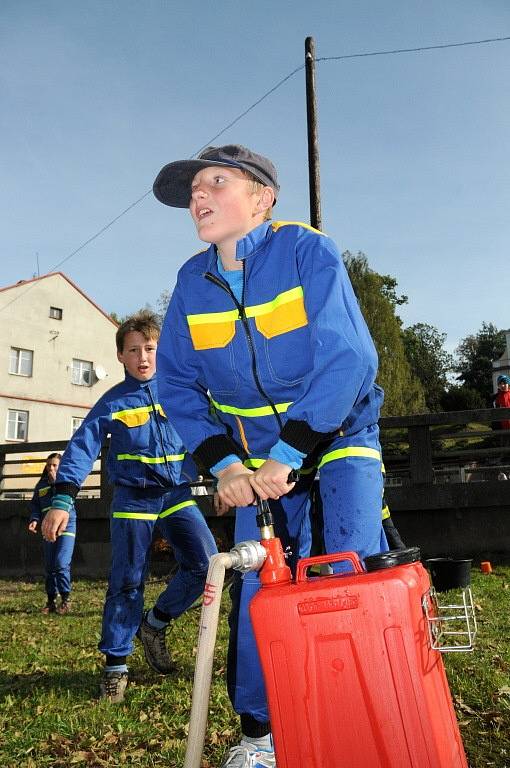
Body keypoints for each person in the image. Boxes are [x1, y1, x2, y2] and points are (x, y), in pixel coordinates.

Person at [153, 144, 389, 767]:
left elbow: (350, 359)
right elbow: (174, 384)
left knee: (346, 564)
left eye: (216, 182)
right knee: (259, 585)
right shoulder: (189, 281)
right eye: (193, 191)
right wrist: (225, 464)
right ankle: (261, 735)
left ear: (262, 197)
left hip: (336, 435)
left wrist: (289, 453)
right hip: (250, 461)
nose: (198, 197)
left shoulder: (307, 250)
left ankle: (356, 716)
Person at [41, 310, 218, 703]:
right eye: (133, 350)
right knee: (128, 579)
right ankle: (115, 667)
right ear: (120, 356)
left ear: (162, 350)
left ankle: (154, 624)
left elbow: (211, 433)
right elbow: (81, 448)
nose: (143, 357)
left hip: (176, 494)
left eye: (150, 349)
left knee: (209, 566)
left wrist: (227, 478)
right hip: (133, 497)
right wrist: (62, 501)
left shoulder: (183, 392)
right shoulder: (111, 401)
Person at [28, 452, 76, 614]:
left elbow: (67, 501)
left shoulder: (65, 482)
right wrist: (34, 519)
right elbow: (35, 505)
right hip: (48, 527)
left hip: (66, 527)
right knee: (49, 566)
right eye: (49, 465)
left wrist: (57, 483)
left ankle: (66, 599)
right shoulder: (41, 485)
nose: (51, 468)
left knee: (61, 563)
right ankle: (51, 601)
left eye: (55, 465)